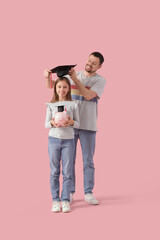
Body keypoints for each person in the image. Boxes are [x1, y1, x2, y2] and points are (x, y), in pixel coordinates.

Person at [44, 52, 106, 205]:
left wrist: (76, 80)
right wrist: (47, 76)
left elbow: (88, 95)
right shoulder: (71, 75)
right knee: (69, 161)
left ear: (99, 66)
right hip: (69, 126)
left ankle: (88, 192)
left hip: (88, 125)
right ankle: (70, 192)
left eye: (94, 63)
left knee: (88, 160)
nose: (90, 64)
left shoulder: (100, 80)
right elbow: (54, 87)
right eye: (89, 60)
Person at [45, 77, 79, 213]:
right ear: (55, 88)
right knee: (54, 172)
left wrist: (71, 122)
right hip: (53, 140)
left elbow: (78, 123)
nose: (62, 90)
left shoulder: (73, 104)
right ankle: (55, 200)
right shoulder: (50, 105)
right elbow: (46, 124)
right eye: (59, 87)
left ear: (69, 88)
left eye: (65, 87)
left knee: (67, 172)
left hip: (68, 141)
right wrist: (52, 123)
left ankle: (65, 200)